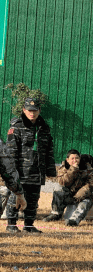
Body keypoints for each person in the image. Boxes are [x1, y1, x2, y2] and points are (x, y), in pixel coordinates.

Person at [5, 97, 56, 233]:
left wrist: (50, 170)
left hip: (37, 170)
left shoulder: (44, 127)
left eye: (34, 110)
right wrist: (11, 171)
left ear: (39, 110)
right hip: (20, 170)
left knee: (33, 198)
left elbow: (48, 150)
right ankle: (11, 224)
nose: (32, 113)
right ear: (24, 110)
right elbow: (10, 151)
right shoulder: (16, 126)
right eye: (29, 110)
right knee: (15, 196)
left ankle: (28, 225)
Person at [43, 150, 93, 226]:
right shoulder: (63, 168)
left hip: (81, 196)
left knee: (87, 200)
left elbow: (91, 184)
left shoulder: (87, 168)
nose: (75, 160)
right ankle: (56, 213)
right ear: (67, 160)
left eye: (77, 158)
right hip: (68, 195)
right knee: (58, 188)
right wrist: (73, 170)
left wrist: (78, 196)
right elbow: (63, 182)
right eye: (72, 158)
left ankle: (74, 220)